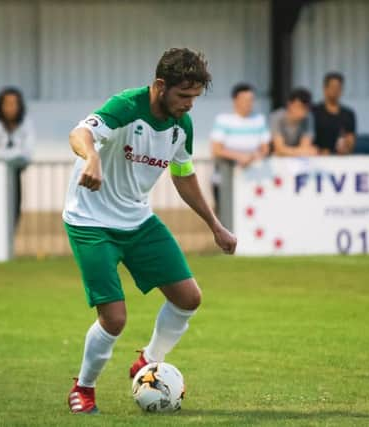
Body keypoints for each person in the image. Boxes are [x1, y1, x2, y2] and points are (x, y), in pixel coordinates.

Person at [62, 48, 237, 414]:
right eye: (183, 95)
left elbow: (183, 176)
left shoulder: (180, 125)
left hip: (138, 221)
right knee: (114, 319)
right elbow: (80, 133)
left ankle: (148, 361)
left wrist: (215, 226)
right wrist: (91, 157)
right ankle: (84, 388)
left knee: (189, 297)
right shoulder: (127, 105)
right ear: (160, 85)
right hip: (91, 222)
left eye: (194, 97)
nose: (189, 105)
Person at [210, 83, 270, 223]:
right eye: (245, 100)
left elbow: (265, 148)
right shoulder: (223, 120)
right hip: (225, 179)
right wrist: (240, 157)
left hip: (253, 180)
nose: (249, 103)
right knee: (227, 220)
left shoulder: (259, 120)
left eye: (251, 100)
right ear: (235, 100)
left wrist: (253, 157)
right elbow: (216, 149)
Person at [0, 87, 35, 228]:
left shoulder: (26, 123)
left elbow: (26, 154)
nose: (10, 108)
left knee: (14, 215)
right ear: (0, 105)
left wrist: (2, 155)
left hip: (15, 176)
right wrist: (15, 154)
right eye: (7, 103)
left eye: (14, 103)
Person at [312, 72, 356, 155]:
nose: (335, 91)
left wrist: (346, 148)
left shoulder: (348, 114)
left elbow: (351, 140)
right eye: (332, 87)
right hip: (316, 157)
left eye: (338, 88)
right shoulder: (313, 111)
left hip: (339, 158)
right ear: (325, 89)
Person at [270, 88, 318, 156]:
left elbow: (305, 147)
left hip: (299, 160)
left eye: (306, 108)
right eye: (300, 107)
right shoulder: (276, 117)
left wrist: (286, 151)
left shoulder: (308, 118)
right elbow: (279, 149)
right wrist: (302, 151)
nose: (303, 112)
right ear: (289, 105)